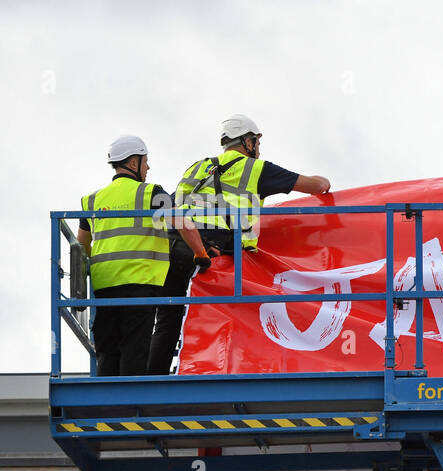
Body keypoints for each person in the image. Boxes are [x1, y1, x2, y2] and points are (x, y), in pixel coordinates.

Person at [148, 114, 332, 374]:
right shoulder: (256, 169)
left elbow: (177, 207)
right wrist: (324, 180)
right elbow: (317, 186)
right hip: (213, 255)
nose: (258, 147)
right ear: (247, 142)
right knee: (236, 314)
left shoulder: (196, 167)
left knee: (167, 320)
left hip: (175, 247)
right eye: (256, 141)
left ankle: (153, 379)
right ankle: (229, 371)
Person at [79, 136, 207, 376]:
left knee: (108, 350)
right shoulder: (151, 193)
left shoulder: (91, 200)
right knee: (134, 348)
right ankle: (132, 406)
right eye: (146, 161)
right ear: (133, 162)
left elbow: (81, 246)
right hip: (140, 284)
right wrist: (201, 254)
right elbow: (183, 224)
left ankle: (106, 404)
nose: (148, 167)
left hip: (104, 287)